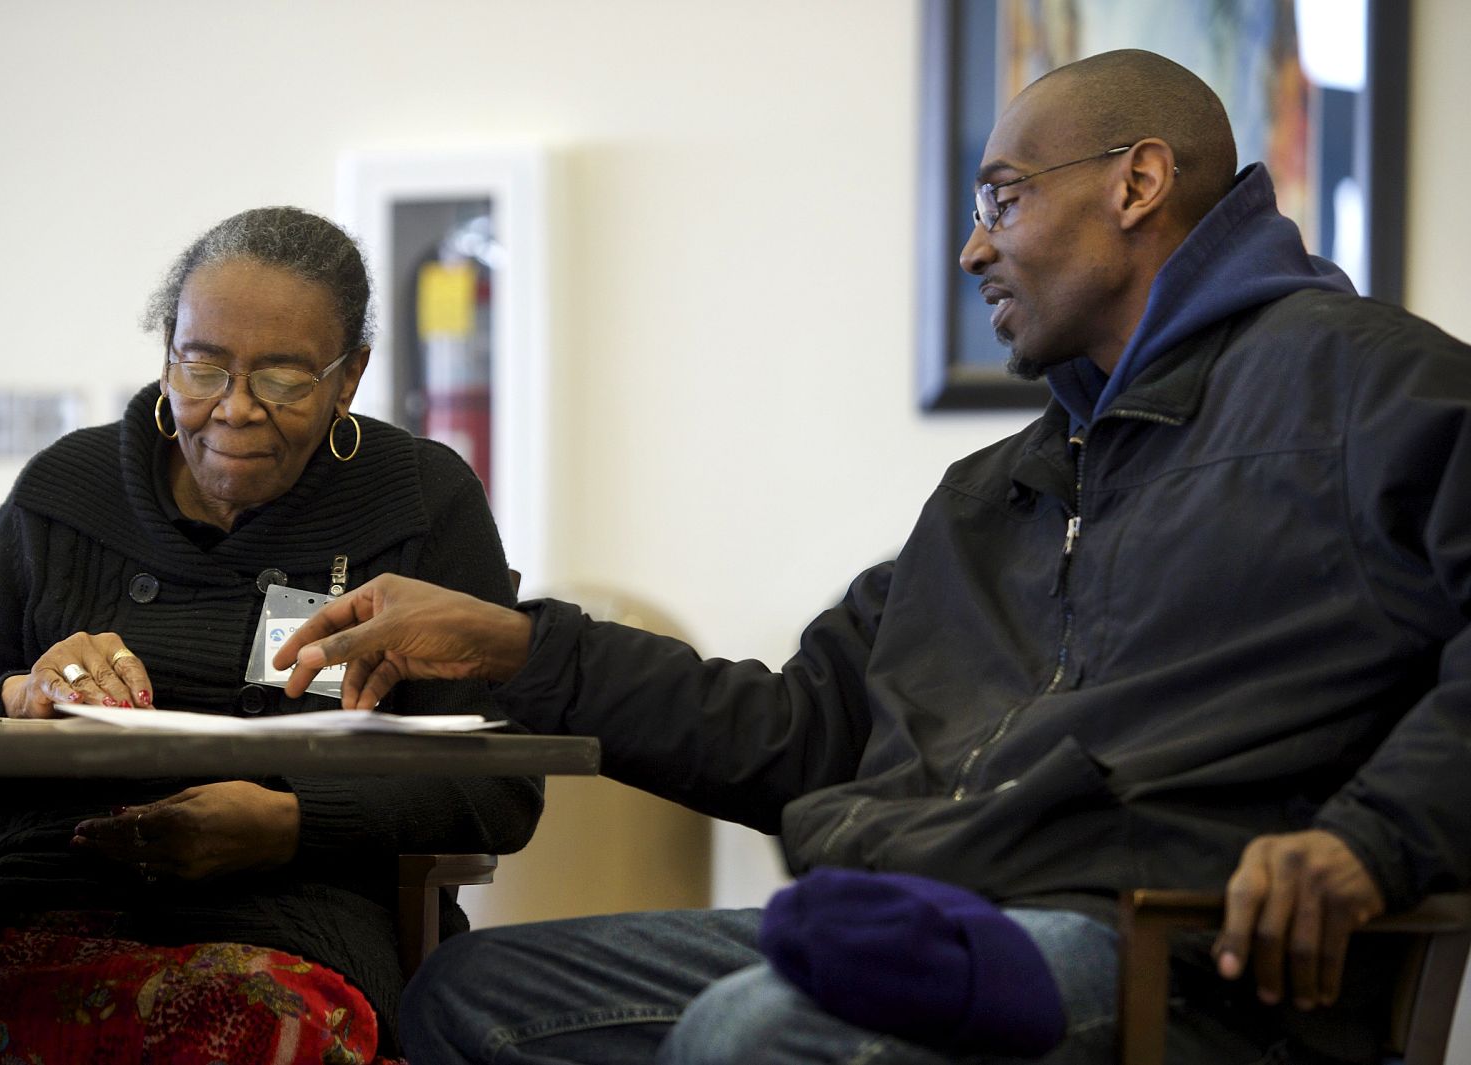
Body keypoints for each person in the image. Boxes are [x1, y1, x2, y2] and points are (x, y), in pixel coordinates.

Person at [275, 49, 1471, 1065]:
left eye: (999, 199)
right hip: (943, 901)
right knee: (466, 1000)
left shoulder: (1363, 385)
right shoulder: (997, 491)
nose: (970, 251)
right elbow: (801, 732)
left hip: (1181, 955)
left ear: (1137, 183)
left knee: (756, 1032)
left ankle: (911, 955)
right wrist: (522, 645)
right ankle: (894, 944)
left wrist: (1371, 836)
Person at [0, 207, 543, 1064]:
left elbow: (499, 784)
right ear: (167, 354)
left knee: (234, 1027)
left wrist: (293, 822)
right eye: (203, 367)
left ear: (349, 378)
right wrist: (19, 696)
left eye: (284, 379)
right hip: (13, 895)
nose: (234, 409)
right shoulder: (68, 489)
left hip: (284, 915)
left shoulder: (417, 502)